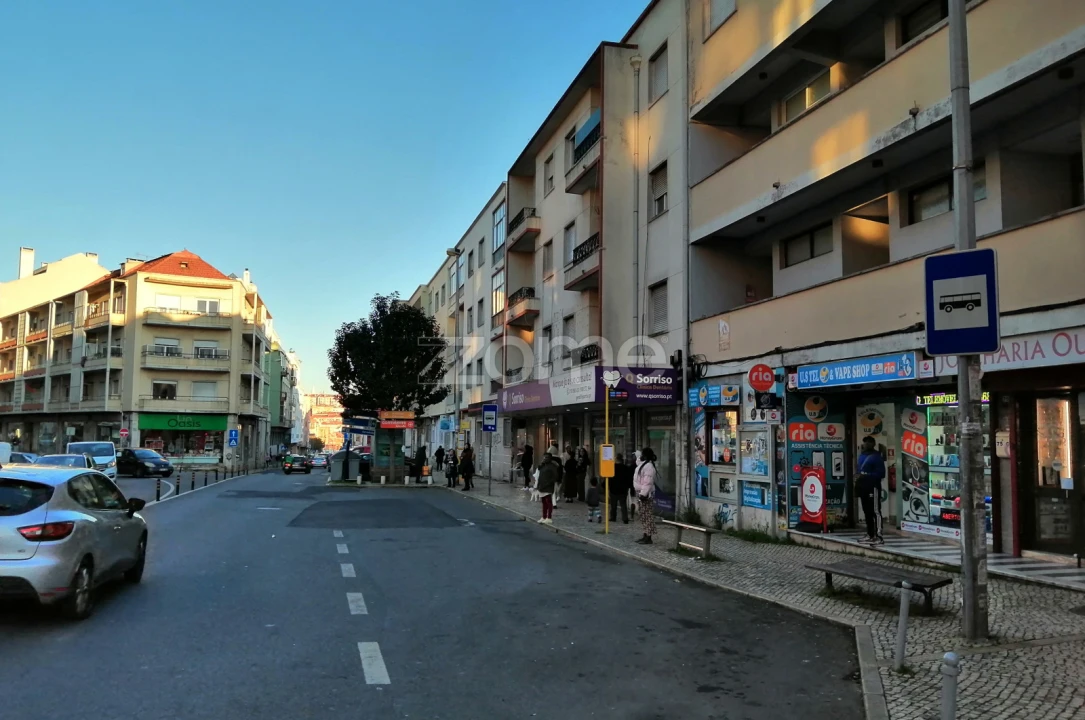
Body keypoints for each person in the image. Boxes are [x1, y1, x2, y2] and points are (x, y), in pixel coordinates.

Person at [857, 436, 885, 545]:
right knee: (866, 511)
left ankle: (879, 536)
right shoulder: (862, 456)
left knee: (875, 511)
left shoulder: (877, 457)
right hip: (863, 486)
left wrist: (867, 475)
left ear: (873, 444)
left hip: (873, 486)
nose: (866, 444)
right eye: (865, 442)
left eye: (869, 442)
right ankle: (870, 534)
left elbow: (881, 474)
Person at [633, 447, 658, 544]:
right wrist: (638, 456)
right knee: (643, 515)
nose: (641, 456)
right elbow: (638, 462)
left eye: (643, 454)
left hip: (646, 494)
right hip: (640, 492)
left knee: (647, 515)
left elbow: (647, 482)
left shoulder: (649, 467)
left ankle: (648, 537)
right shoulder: (643, 464)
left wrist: (643, 494)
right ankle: (645, 534)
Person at [535, 451, 560, 524]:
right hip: (541, 486)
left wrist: (549, 483)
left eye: (547, 457)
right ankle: (544, 516)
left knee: (548, 501)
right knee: (543, 502)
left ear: (550, 458)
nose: (545, 459)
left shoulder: (552, 466)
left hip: (548, 486)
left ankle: (549, 517)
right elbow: (539, 472)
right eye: (544, 457)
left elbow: (555, 477)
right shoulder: (543, 465)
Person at [609, 453, 632, 524]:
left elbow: (609, 478)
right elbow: (629, 479)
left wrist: (606, 486)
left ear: (616, 459)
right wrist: (629, 487)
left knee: (613, 505)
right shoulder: (626, 468)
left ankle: (613, 517)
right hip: (623, 489)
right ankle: (625, 518)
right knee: (623, 505)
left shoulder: (612, 467)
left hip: (614, 489)